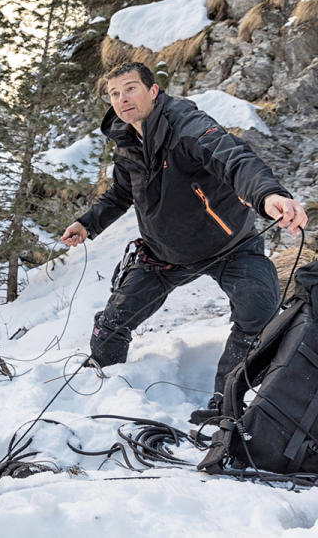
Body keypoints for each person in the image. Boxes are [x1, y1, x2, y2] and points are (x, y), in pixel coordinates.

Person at [60, 62, 308, 421]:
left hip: (231, 248)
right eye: (114, 93)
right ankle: (101, 388)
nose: (122, 98)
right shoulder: (126, 140)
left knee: (260, 313)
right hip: (164, 256)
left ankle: (227, 406)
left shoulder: (187, 126)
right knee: (110, 325)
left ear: (154, 90)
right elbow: (120, 192)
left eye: (130, 88)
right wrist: (87, 223)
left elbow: (232, 158)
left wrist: (268, 195)